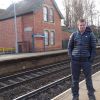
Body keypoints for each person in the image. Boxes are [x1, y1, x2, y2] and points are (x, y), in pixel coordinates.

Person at [67, 19, 96, 100]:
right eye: (80, 25)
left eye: (83, 25)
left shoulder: (90, 35)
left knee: (88, 79)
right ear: (78, 26)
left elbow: (94, 48)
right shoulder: (74, 35)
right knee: (75, 80)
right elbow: (69, 47)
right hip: (75, 61)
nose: (82, 26)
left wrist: (91, 60)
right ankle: (75, 96)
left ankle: (91, 96)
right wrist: (71, 57)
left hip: (86, 61)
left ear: (85, 25)